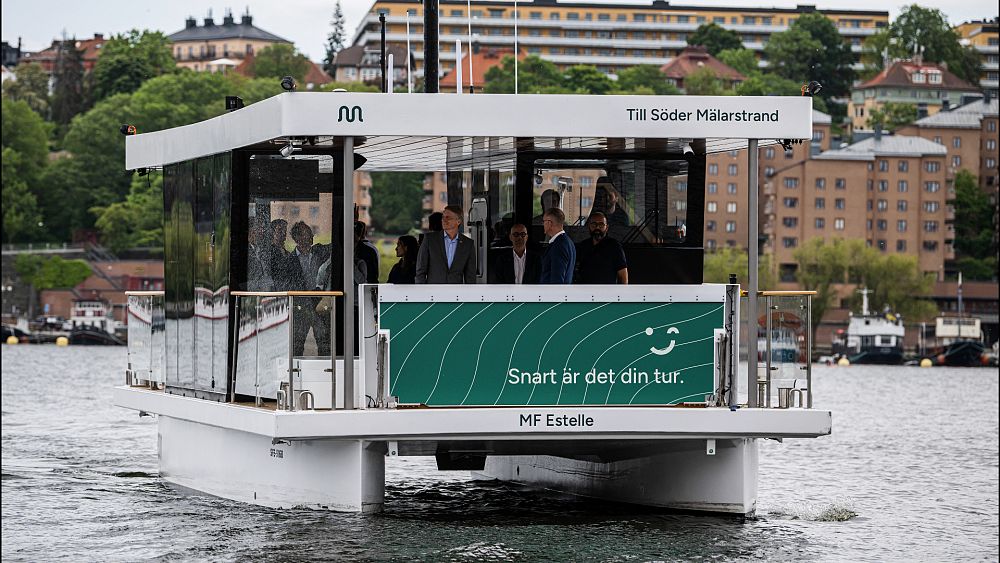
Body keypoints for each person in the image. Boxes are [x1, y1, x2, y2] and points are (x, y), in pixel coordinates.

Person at [285, 222, 332, 356]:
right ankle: (295, 370)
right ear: (297, 238)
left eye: (311, 232)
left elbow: (337, 244)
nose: (311, 235)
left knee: (324, 340)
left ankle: (326, 370)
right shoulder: (290, 260)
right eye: (307, 233)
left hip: (319, 303)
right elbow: (288, 283)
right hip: (301, 305)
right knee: (297, 342)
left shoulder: (319, 251)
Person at [415, 205, 477, 284]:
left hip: (456, 294)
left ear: (458, 221)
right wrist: (422, 293)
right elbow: (420, 271)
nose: (444, 220)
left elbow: (470, 276)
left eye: (448, 217)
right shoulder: (429, 240)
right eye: (443, 217)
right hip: (433, 294)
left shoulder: (468, 244)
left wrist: (469, 295)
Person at [575, 211, 628, 284]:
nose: (597, 227)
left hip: (607, 293)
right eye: (594, 224)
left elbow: (623, 275)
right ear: (589, 226)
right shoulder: (582, 246)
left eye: (601, 225)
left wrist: (621, 294)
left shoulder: (614, 246)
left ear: (607, 227)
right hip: (585, 293)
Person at [539, 208, 575, 284]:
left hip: (553, 295)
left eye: (544, 221)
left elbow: (557, 280)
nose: (543, 224)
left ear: (549, 223)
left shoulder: (559, 245)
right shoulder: (568, 242)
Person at [246, 216, 274, 291]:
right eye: (259, 228)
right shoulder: (244, 251)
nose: (262, 231)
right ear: (251, 231)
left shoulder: (262, 250)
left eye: (262, 228)